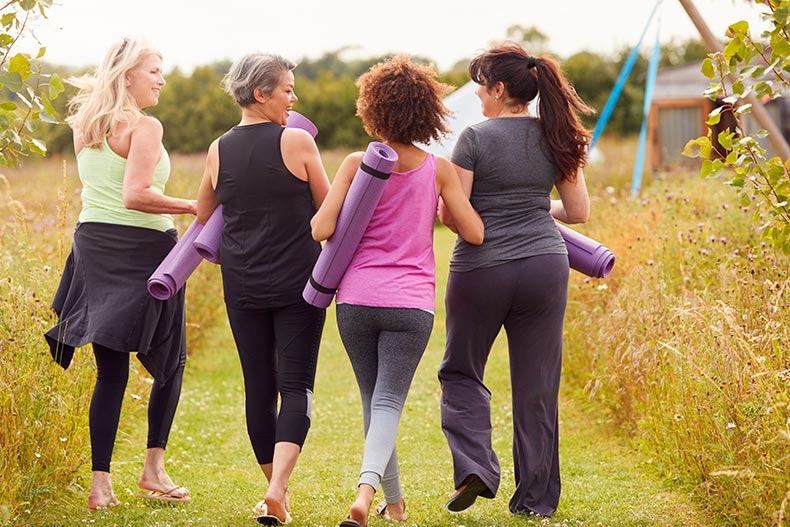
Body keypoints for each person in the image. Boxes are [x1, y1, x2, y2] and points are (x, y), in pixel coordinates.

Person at [311, 55, 485, 527]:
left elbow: (320, 228)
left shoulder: (355, 163)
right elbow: (474, 233)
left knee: (374, 402)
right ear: (428, 112)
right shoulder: (440, 170)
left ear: (372, 109)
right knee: (386, 403)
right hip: (410, 303)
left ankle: (395, 504)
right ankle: (367, 494)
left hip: (355, 299)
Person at [437, 42, 593, 517]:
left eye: (481, 86)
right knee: (537, 384)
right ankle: (536, 501)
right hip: (545, 266)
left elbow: (456, 215)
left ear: (499, 89)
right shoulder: (557, 136)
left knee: (461, 371)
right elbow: (579, 212)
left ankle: (476, 469)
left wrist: (460, 209)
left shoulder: (474, 138)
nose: (478, 96)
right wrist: (531, 204)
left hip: (482, 269)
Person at [44, 38, 196, 510]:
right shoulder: (146, 126)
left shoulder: (85, 125)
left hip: (93, 243)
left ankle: (100, 485)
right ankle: (152, 470)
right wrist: (196, 206)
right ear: (127, 74)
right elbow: (135, 195)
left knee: (111, 371)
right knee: (171, 359)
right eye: (153, 70)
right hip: (145, 247)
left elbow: (104, 190)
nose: (162, 79)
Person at [196, 52, 330, 526]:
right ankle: (277, 491)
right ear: (261, 93)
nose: (294, 98)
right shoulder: (297, 142)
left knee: (259, 386)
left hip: (242, 283)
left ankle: (276, 493)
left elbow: (204, 213)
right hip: (300, 285)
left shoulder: (217, 148)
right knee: (296, 386)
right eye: (288, 89)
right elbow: (327, 213)